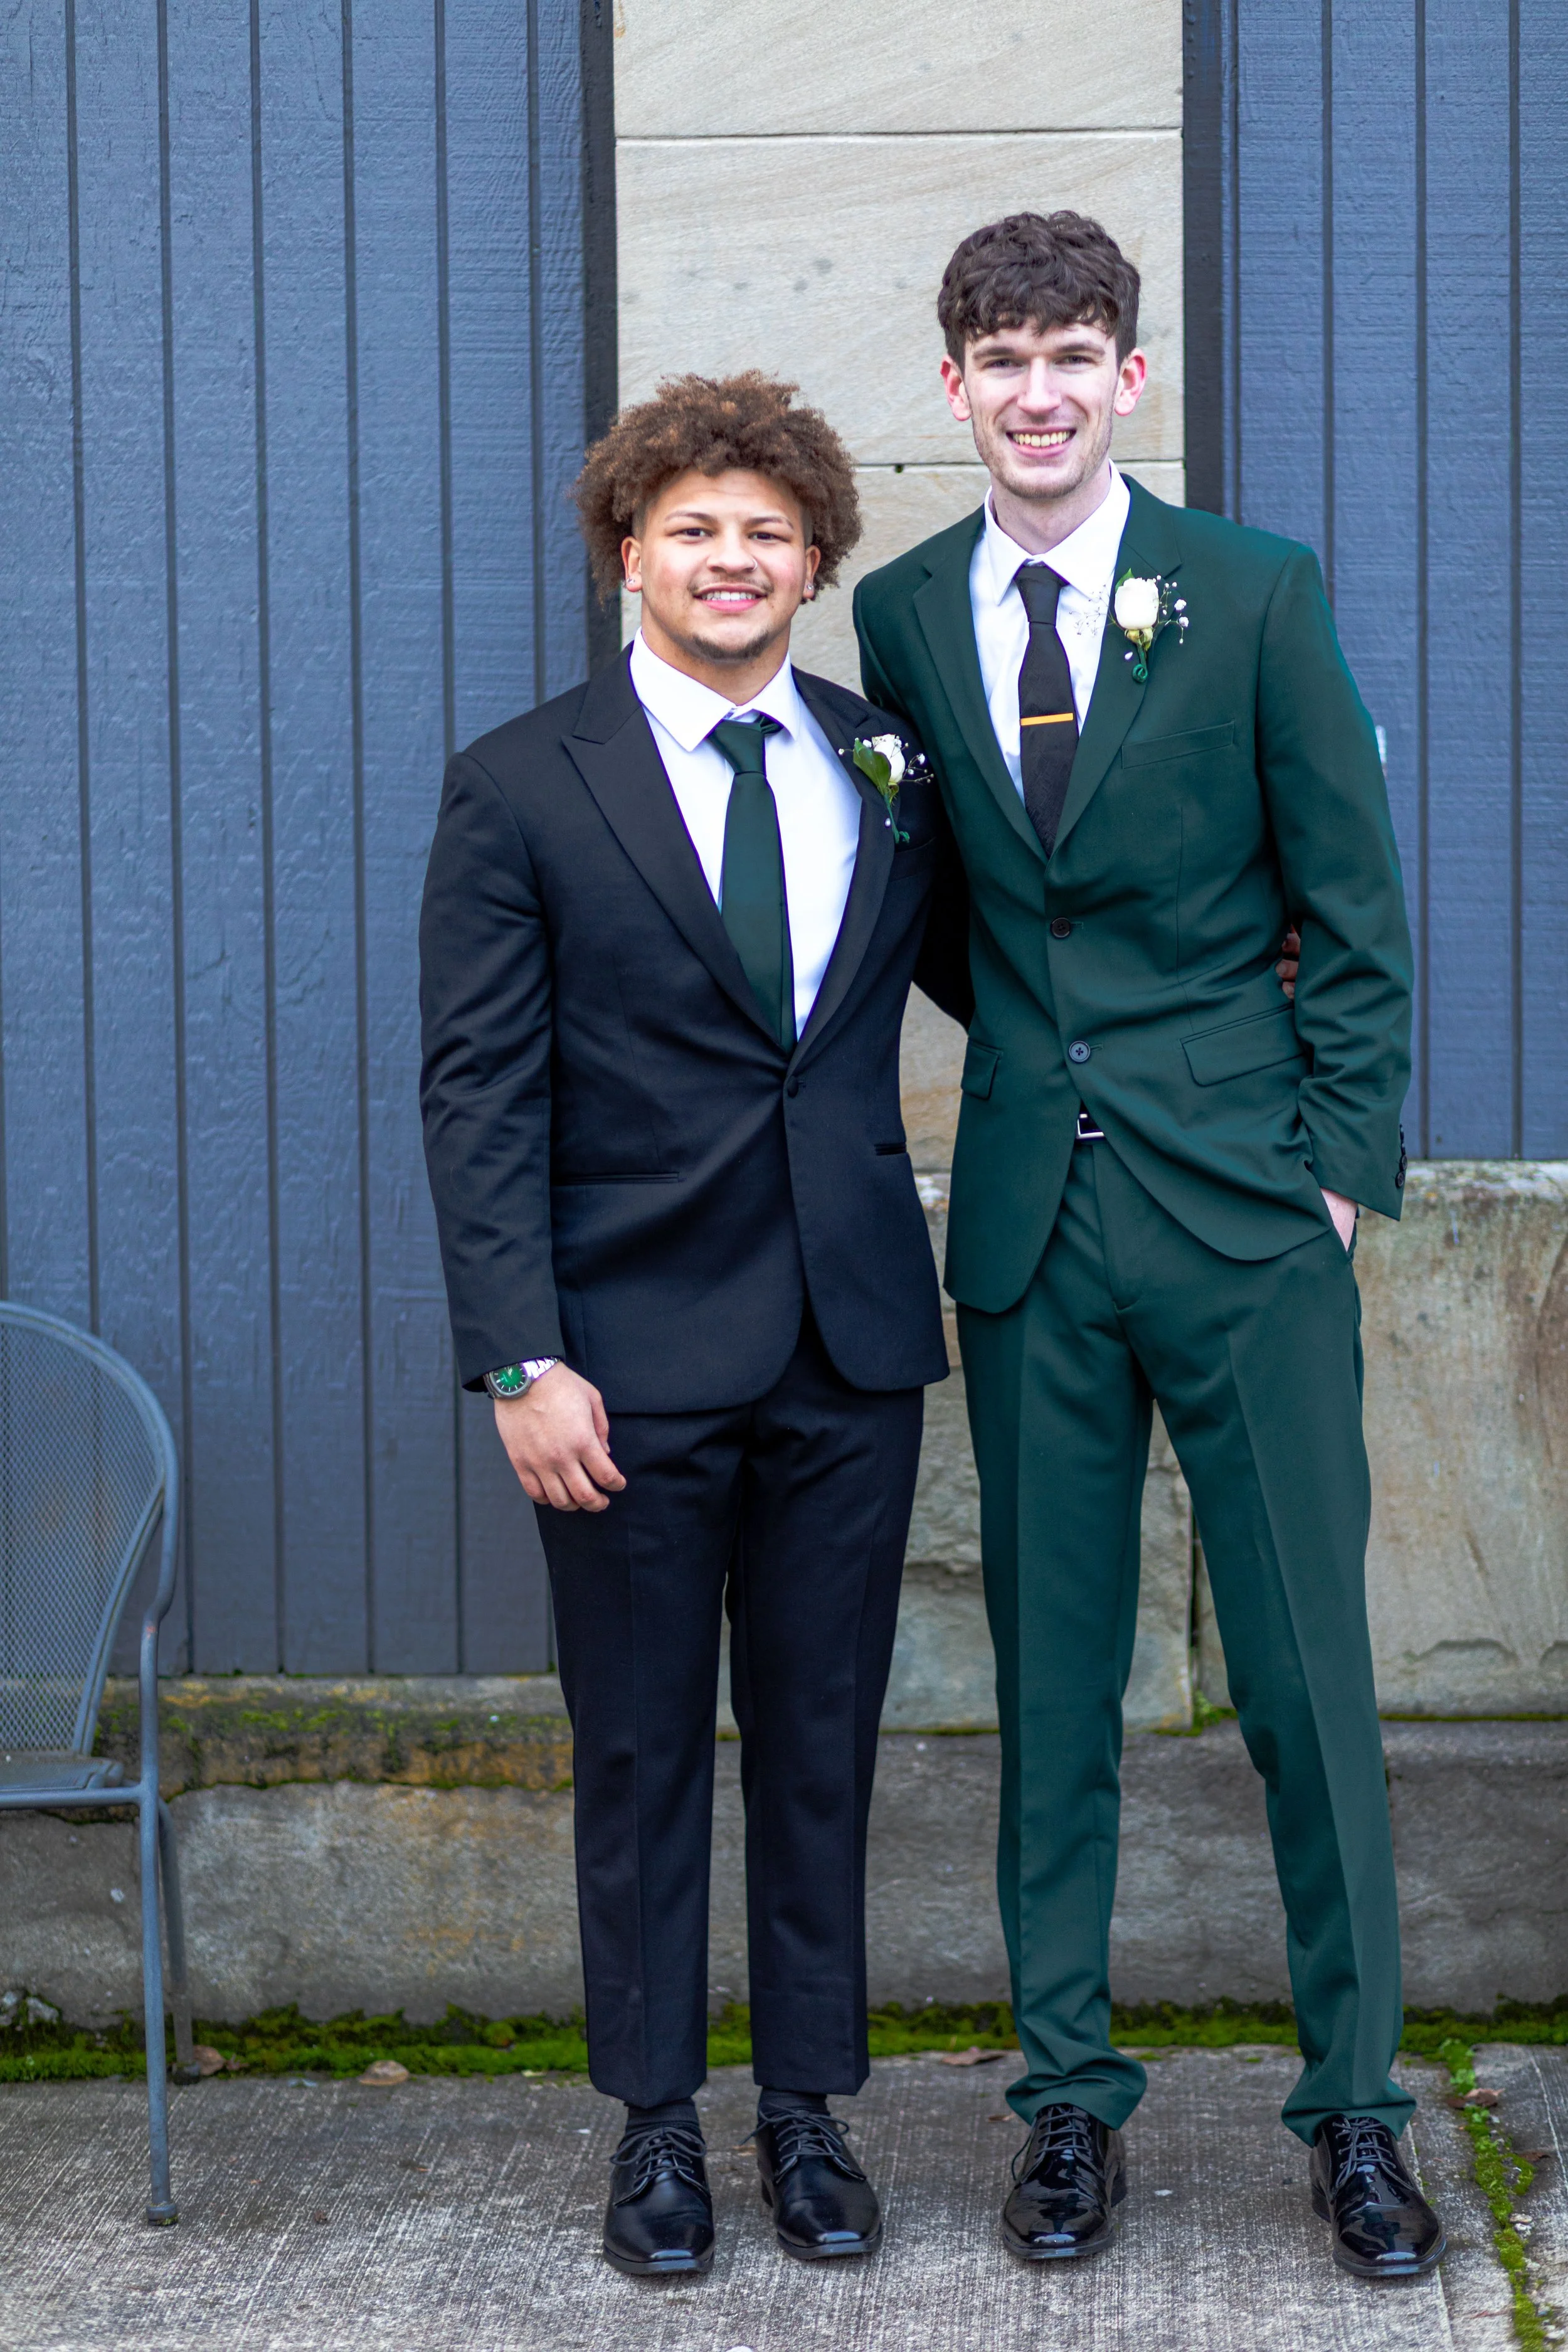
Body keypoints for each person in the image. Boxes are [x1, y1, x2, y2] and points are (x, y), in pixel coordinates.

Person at [853, 209, 1444, 2282]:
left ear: (1127, 378)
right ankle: (1063, 2104)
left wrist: (1330, 1166)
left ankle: (1357, 2109)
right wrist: (1027, 1057)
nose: (1035, 390)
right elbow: (932, 900)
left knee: (1304, 1678)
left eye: (1072, 351)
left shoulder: (1252, 597)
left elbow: (1356, 908)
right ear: (952, 389)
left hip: (1244, 1214)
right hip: (1028, 1217)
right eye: (997, 356)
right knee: (1053, 1687)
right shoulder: (905, 608)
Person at [419, 371, 971, 2277]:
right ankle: (654, 2127)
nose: (729, 559)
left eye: (764, 531)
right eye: (692, 530)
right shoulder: (519, 782)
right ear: (626, 553)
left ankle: (802, 2113)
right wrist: (517, 1352)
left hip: (849, 1348)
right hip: (620, 1367)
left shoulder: (883, 762)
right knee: (643, 1749)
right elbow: (475, 1094)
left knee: (819, 1740)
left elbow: (1012, 961)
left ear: (813, 559)